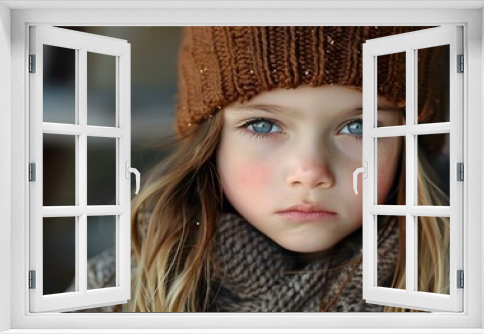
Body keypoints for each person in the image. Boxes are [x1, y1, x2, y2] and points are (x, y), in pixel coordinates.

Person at [70, 26, 450, 313]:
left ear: (407, 143)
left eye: (359, 127)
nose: (310, 171)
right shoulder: (117, 295)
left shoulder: (455, 292)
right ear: (211, 143)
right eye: (263, 126)